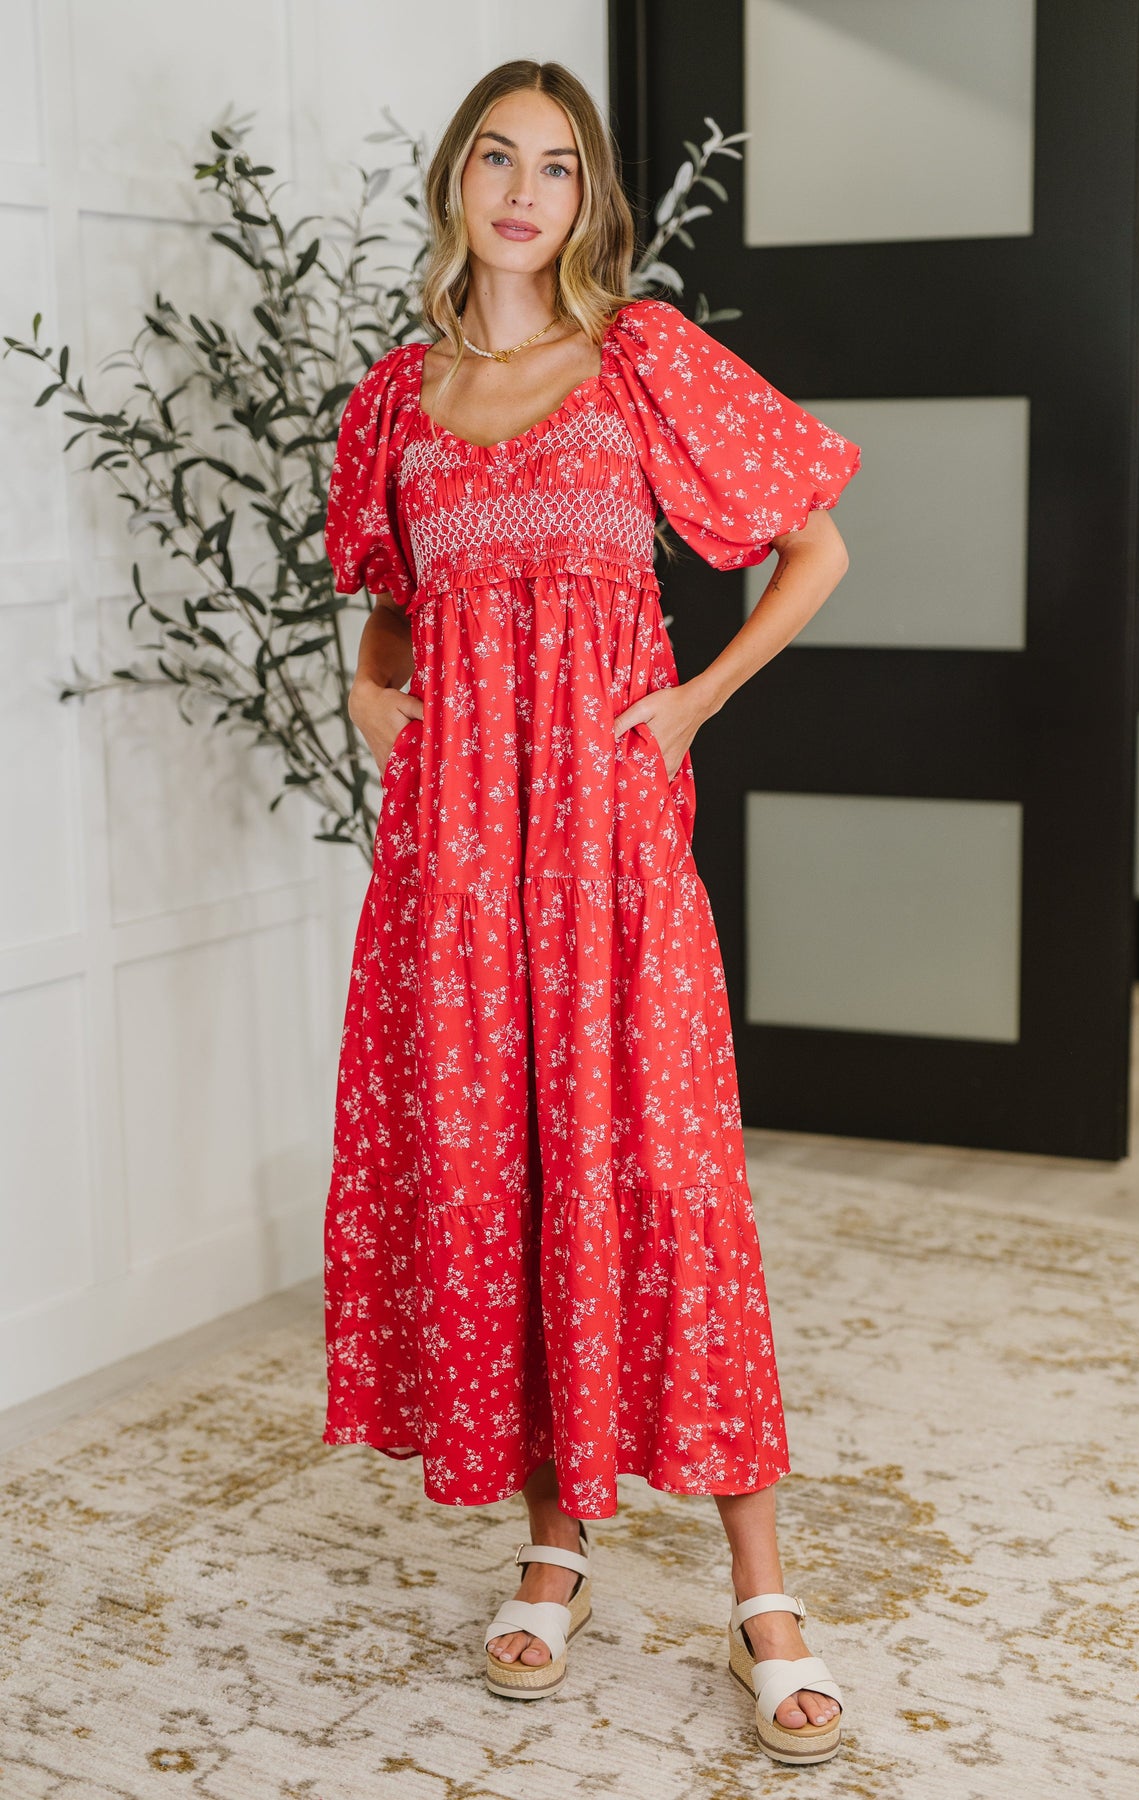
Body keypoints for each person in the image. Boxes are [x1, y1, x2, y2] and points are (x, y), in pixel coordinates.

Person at [321, 58, 860, 1768]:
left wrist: (690, 704)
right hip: (454, 861)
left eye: (555, 166)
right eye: (496, 158)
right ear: (455, 182)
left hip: (612, 845)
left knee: (670, 1182)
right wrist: (368, 695)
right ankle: (551, 1546)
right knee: (505, 1180)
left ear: (589, 199)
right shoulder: (395, 401)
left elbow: (816, 551)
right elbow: (388, 614)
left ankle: (762, 1591)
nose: (521, 191)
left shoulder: (640, 358)